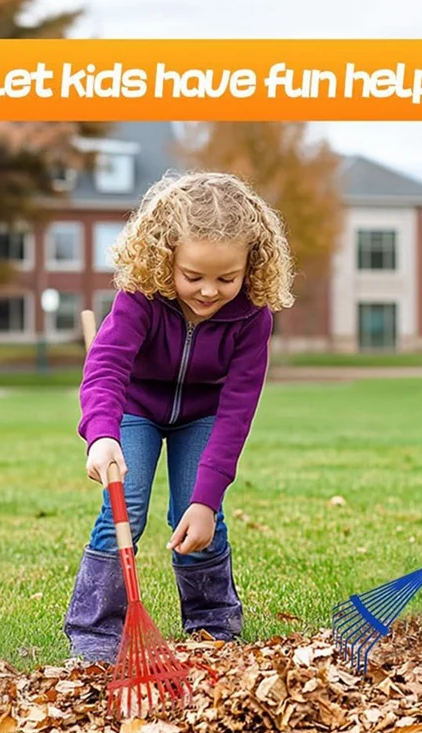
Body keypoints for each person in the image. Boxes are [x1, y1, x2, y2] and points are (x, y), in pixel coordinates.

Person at [64, 171, 294, 662]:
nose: (209, 291)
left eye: (225, 278)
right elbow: (105, 369)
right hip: (135, 409)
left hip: (203, 414)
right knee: (126, 507)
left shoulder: (253, 316)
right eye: (193, 276)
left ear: (250, 267)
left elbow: (237, 410)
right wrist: (101, 436)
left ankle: (213, 623)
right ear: (165, 257)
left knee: (198, 512)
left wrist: (207, 499)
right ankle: (95, 632)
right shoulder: (140, 299)